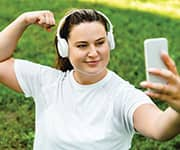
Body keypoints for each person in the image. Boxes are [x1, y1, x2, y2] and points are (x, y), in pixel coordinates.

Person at [0, 9, 179, 150]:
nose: (93, 53)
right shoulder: (47, 82)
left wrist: (178, 107)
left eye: (100, 42)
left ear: (110, 42)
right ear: (64, 48)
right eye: (82, 45)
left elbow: (159, 128)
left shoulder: (123, 95)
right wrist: (23, 20)